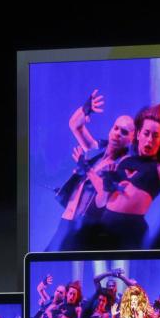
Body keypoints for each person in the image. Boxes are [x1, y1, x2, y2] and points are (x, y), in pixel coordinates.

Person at [71, 103, 160, 249]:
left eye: (155, 136)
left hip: (131, 231)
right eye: (146, 133)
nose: (150, 140)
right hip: (105, 227)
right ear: (138, 135)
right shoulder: (125, 160)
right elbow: (102, 201)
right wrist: (102, 181)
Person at [47, 90, 136, 250]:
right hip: (66, 223)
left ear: (131, 140)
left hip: (85, 230)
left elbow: (104, 197)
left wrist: (87, 169)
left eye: (124, 132)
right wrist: (85, 109)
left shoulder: (121, 166)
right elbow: (75, 125)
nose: (117, 134)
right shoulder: (96, 151)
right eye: (116, 128)